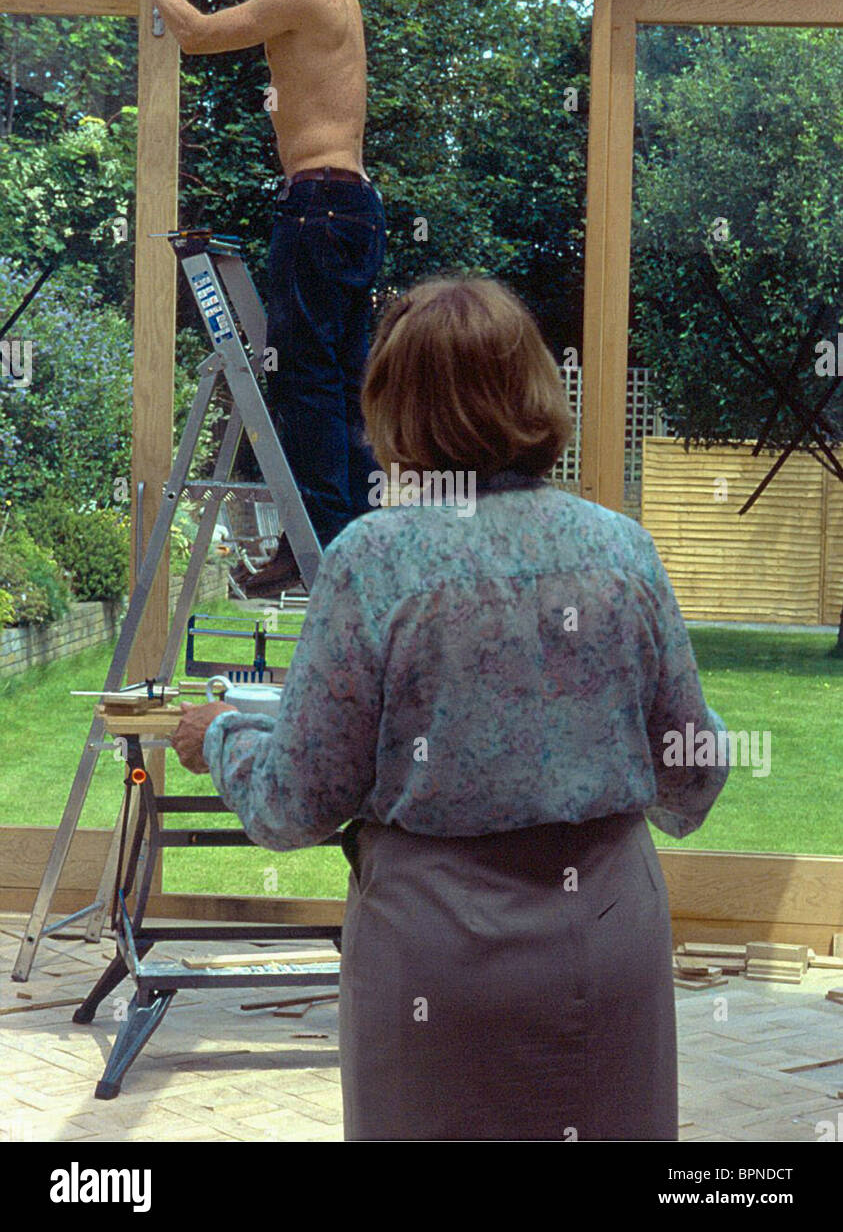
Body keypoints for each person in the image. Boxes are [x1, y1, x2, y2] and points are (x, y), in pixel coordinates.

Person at [171, 273, 731, 1143]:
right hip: (609, 942)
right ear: (536, 391)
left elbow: (299, 800)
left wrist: (226, 739)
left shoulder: (375, 560)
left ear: (393, 408)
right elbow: (692, 781)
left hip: (440, 963)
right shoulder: (621, 548)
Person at [111, 0, 386, 595]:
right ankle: (353, 538)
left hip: (318, 207)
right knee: (341, 383)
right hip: (349, 209)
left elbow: (196, 34)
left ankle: (313, 544)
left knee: (305, 385)